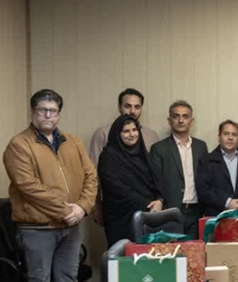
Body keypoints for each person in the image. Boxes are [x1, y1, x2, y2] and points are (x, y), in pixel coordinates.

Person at [3, 89, 98, 282]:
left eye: (53, 110)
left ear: (59, 114)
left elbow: (91, 177)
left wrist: (83, 207)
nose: (48, 115)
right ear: (33, 112)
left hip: (70, 226)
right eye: (42, 110)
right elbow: (28, 187)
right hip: (37, 228)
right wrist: (66, 211)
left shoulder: (73, 141)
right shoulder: (19, 144)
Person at [97, 115, 163, 245]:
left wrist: (159, 200)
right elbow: (116, 188)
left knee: (147, 255)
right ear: (118, 134)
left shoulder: (143, 155)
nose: (132, 134)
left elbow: (156, 182)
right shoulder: (109, 156)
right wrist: (147, 204)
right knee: (124, 255)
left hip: (148, 217)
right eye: (126, 131)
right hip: (121, 218)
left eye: (134, 130)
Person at [150, 100, 208, 238]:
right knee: (173, 250)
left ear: (191, 120)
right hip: (170, 212)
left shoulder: (201, 147)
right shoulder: (159, 148)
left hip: (196, 212)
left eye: (185, 116)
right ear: (169, 120)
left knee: (195, 250)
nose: (181, 120)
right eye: (176, 116)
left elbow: (205, 178)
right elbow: (155, 181)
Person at [88, 88, 160, 164]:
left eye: (137, 107)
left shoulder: (152, 135)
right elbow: (94, 167)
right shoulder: (102, 134)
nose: (132, 111)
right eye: (127, 106)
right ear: (119, 107)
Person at [196, 120, 238, 217]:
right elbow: (203, 190)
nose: (230, 138)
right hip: (216, 216)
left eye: (234, 134)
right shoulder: (206, 160)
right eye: (226, 134)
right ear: (219, 136)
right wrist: (227, 202)